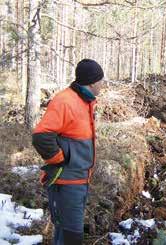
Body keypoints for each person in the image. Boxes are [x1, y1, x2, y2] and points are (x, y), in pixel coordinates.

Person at [32, 59, 105, 244]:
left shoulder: (84, 101)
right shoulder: (65, 101)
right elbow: (41, 136)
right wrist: (59, 160)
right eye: (101, 81)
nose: (103, 84)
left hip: (79, 179)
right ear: (91, 82)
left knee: (66, 233)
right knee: (71, 235)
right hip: (66, 182)